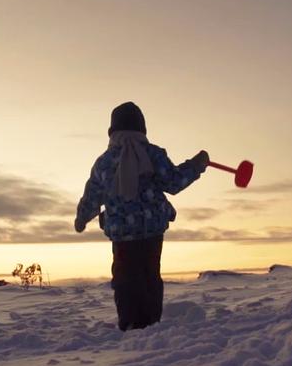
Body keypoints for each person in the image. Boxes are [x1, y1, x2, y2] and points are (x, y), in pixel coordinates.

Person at [74, 102, 209, 331]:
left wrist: (82, 217)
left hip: (122, 234)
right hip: (151, 229)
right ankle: (151, 325)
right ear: (142, 129)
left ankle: (130, 325)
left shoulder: (104, 162)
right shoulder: (152, 153)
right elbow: (174, 182)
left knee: (125, 279)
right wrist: (197, 165)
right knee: (149, 275)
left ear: (112, 131)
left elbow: (92, 195)